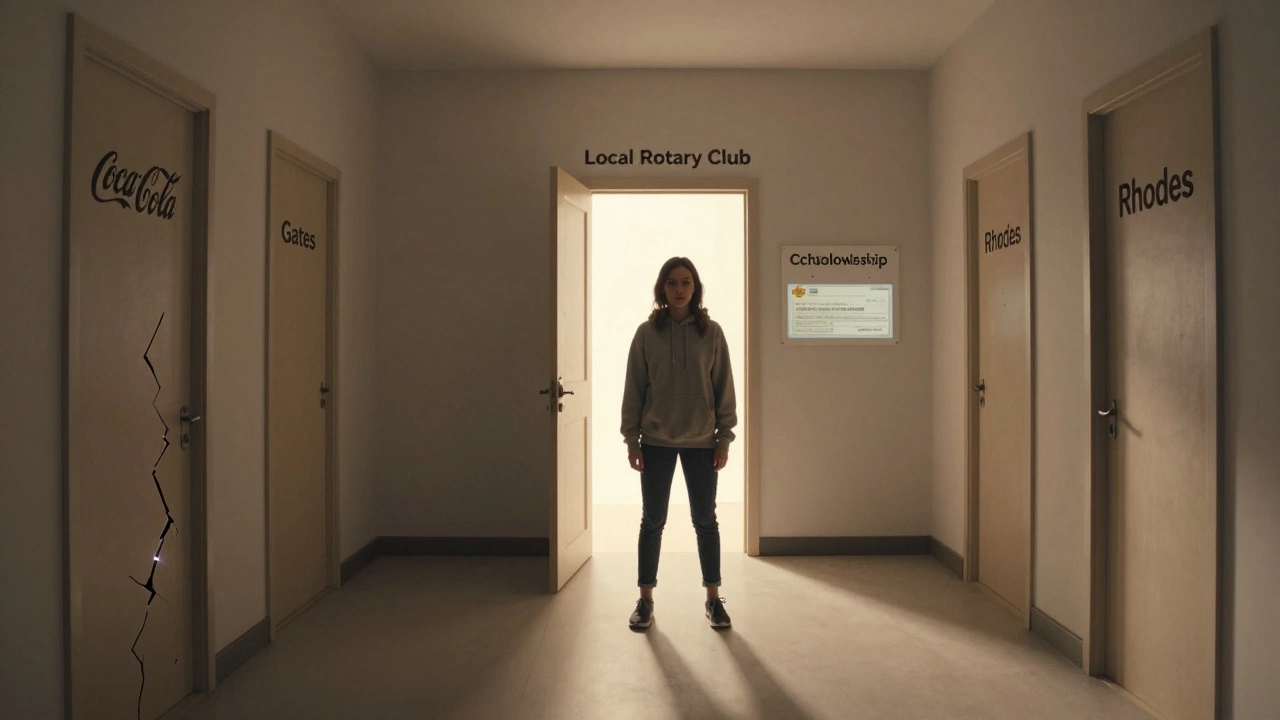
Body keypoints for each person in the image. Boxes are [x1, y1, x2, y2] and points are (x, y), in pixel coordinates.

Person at [620, 256, 737, 630]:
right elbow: (634, 389)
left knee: (705, 521)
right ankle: (645, 599)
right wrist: (631, 440)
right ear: (662, 288)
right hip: (655, 440)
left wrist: (724, 438)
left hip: (702, 442)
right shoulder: (645, 333)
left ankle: (713, 599)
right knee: (652, 521)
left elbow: (724, 388)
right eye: (672, 282)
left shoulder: (712, 333)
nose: (679, 288)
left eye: (686, 282)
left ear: (695, 287)